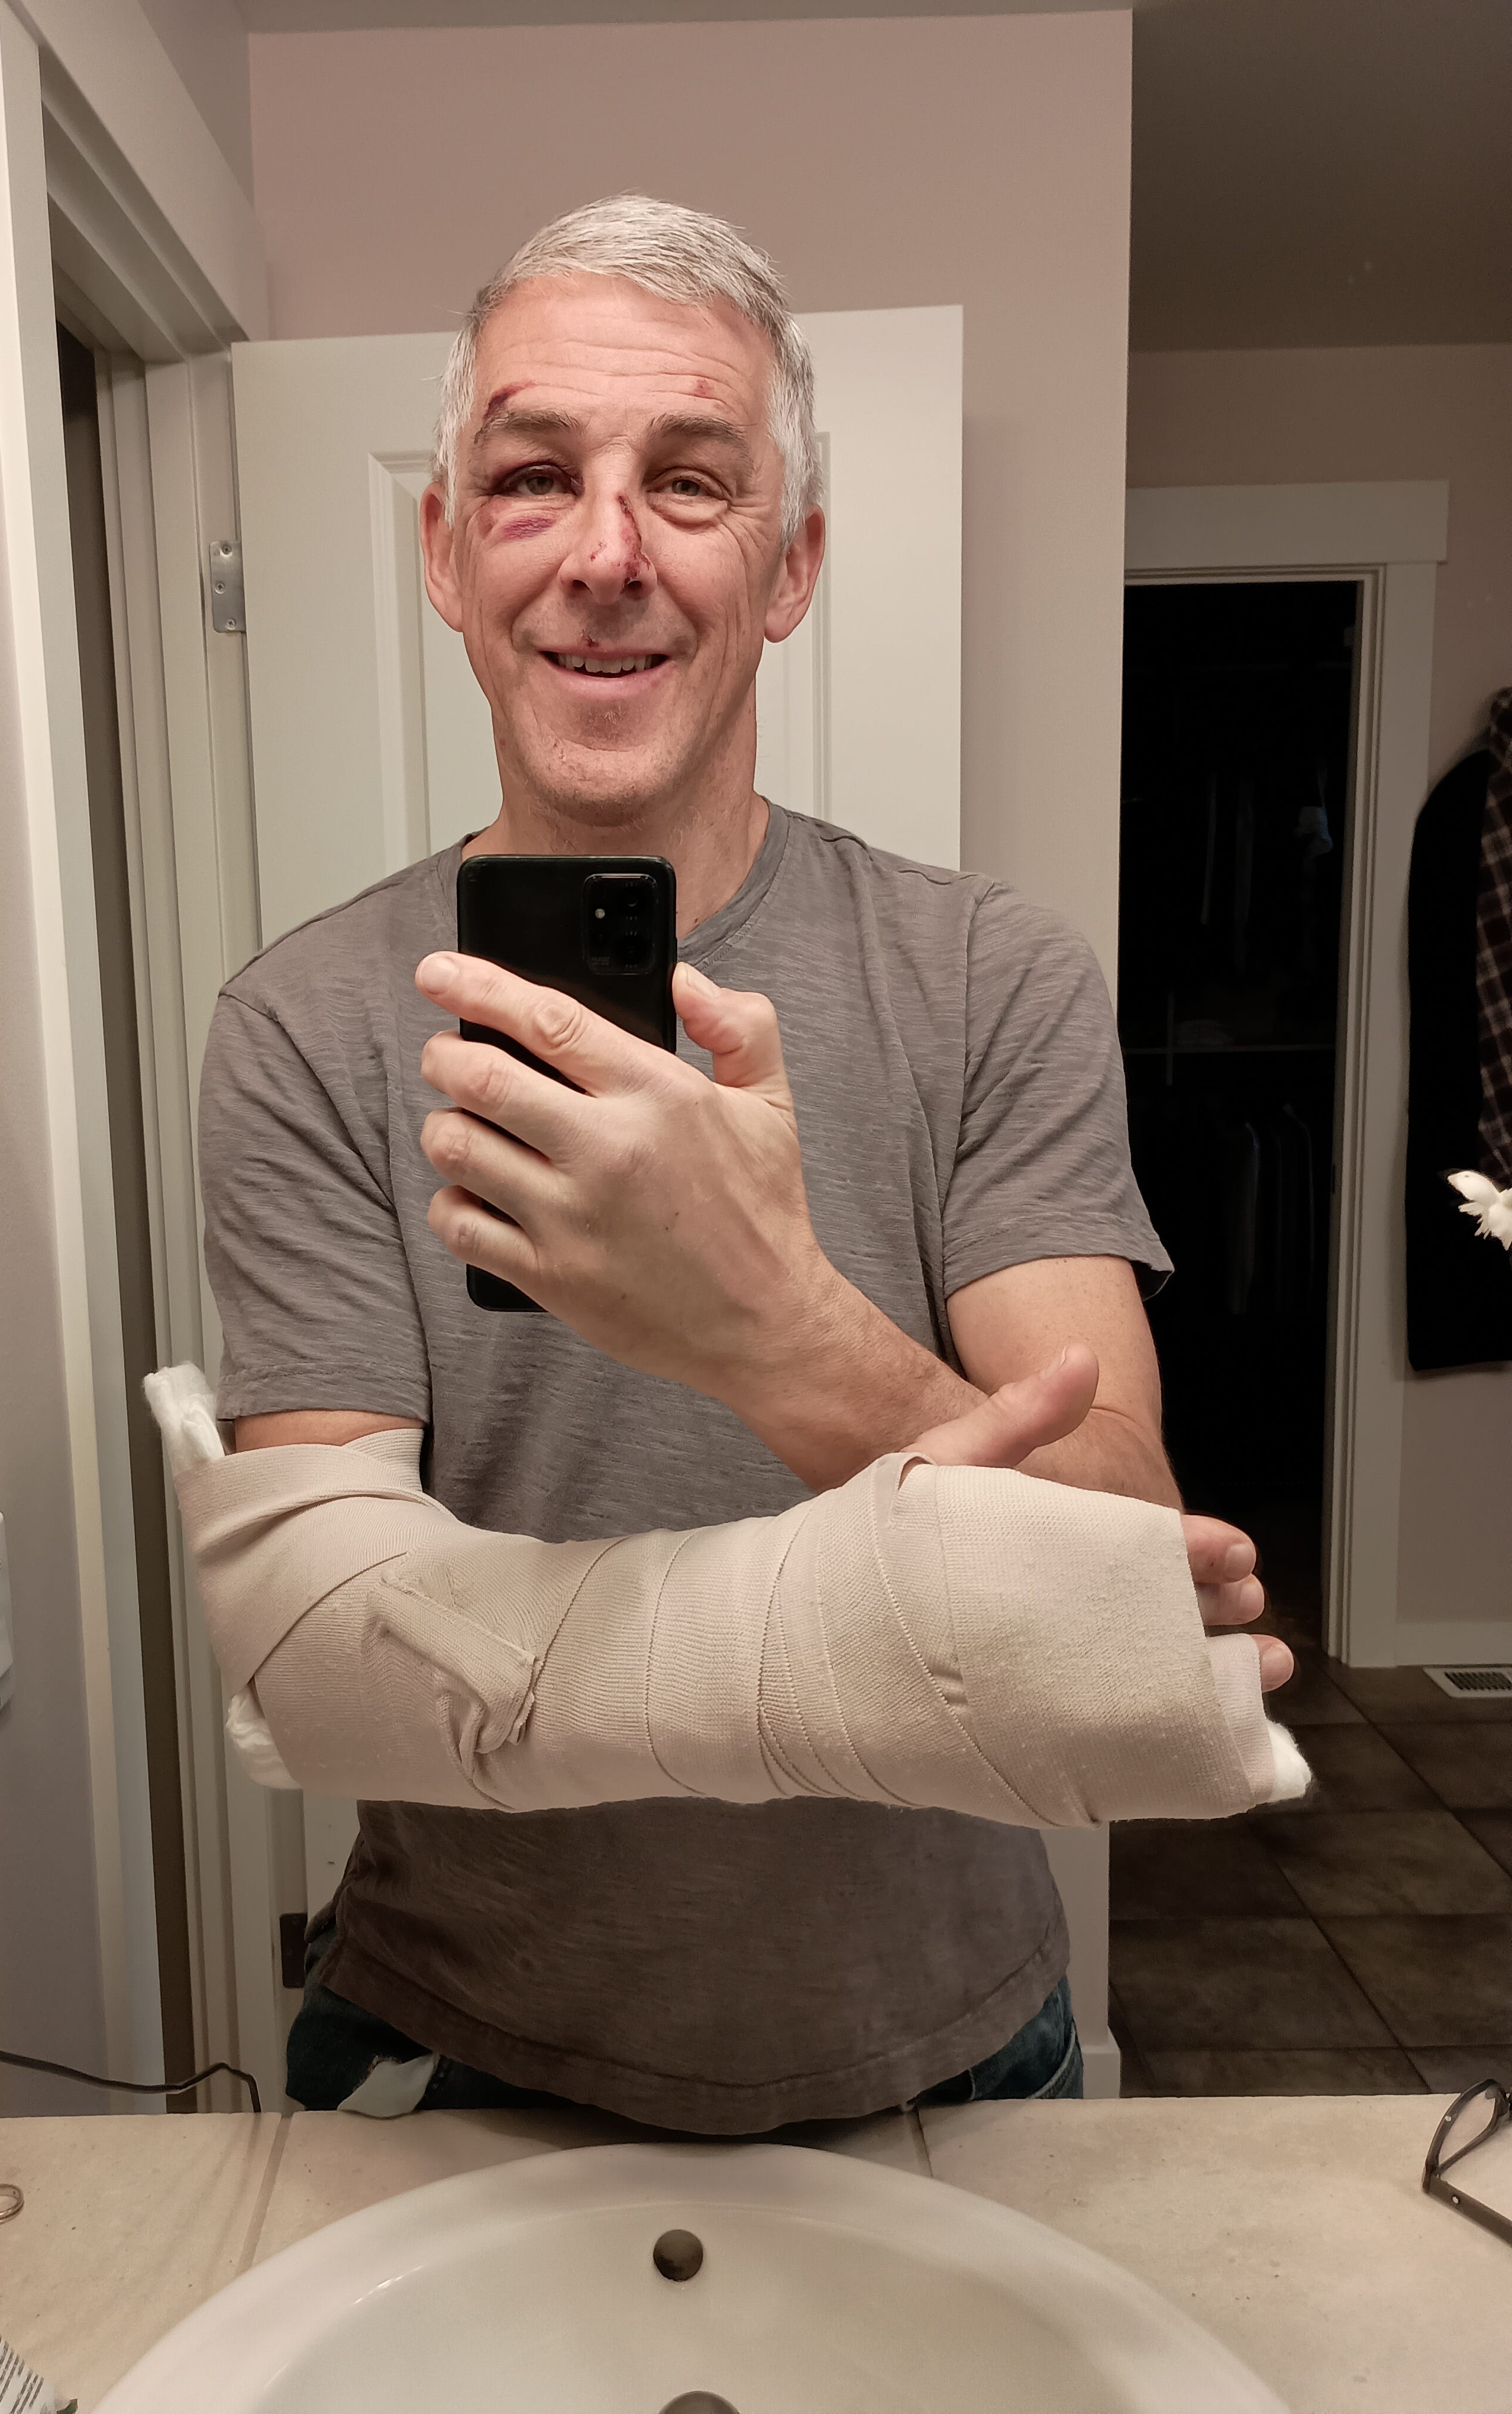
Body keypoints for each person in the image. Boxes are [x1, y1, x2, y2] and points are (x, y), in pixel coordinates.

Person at [198, 194, 1289, 2129]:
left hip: (954, 2039)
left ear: (790, 565)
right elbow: (336, 1656)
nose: (607, 553)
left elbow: (1131, 1579)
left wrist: (777, 1330)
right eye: (534, 477)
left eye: (691, 483)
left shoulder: (990, 977)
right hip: (460, 2049)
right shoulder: (301, 1025)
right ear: (445, 553)